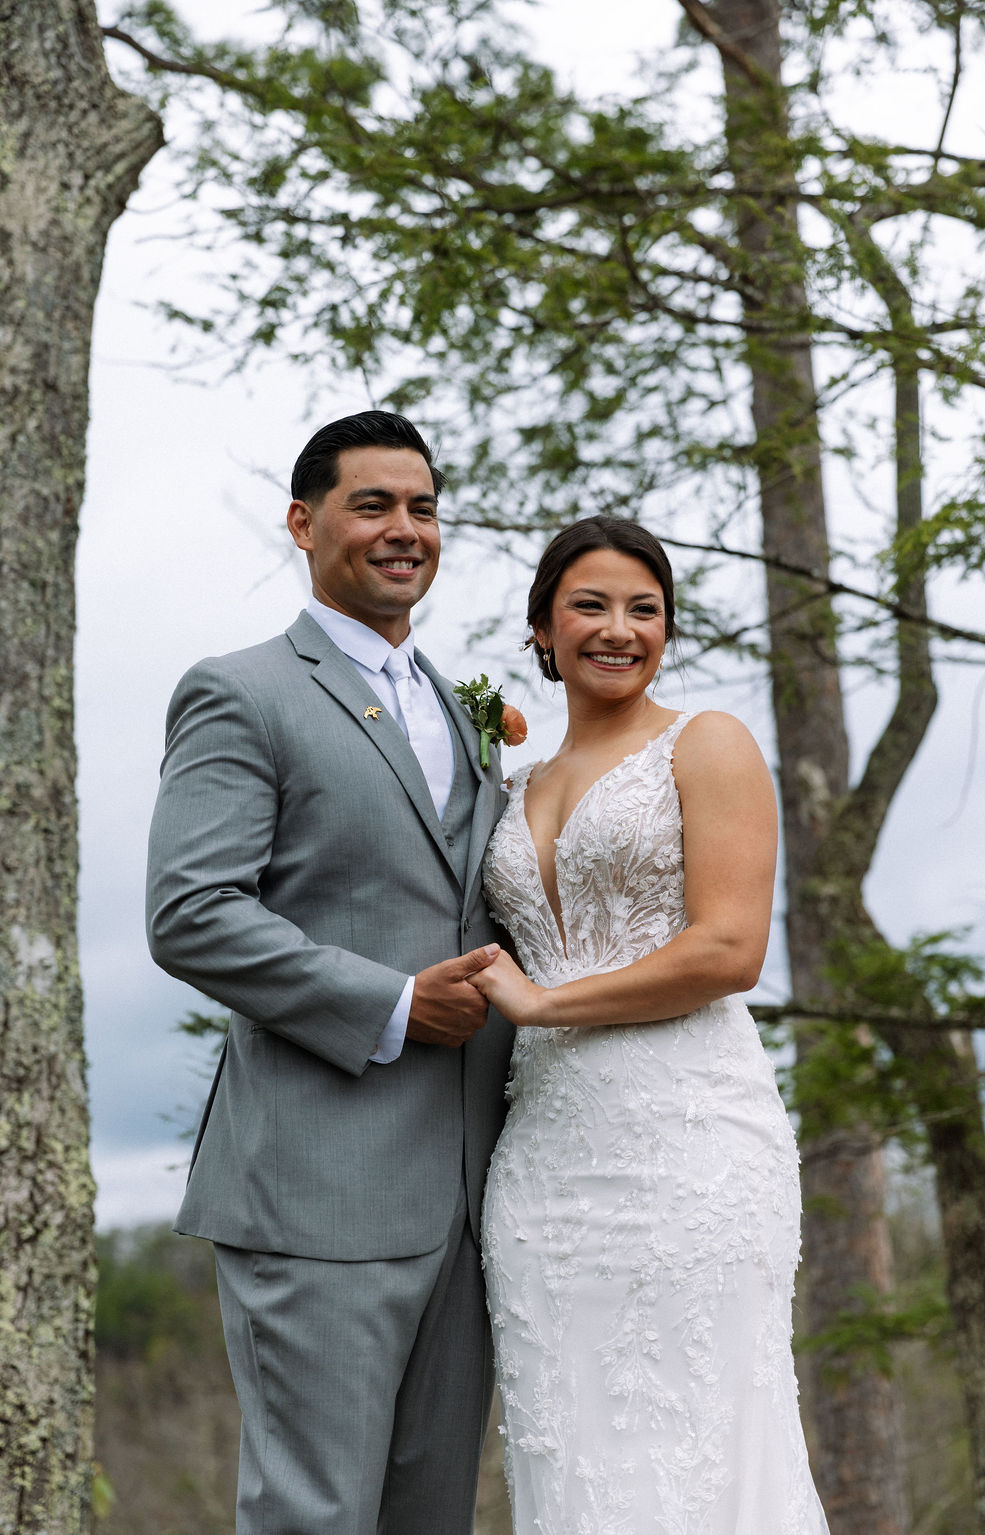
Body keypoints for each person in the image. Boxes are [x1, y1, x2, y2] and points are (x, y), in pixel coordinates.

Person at [145, 410, 514, 1535]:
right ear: (305, 524)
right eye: (374, 504)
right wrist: (394, 1003)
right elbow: (190, 912)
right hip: (318, 1194)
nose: (405, 529)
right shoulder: (241, 689)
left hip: (469, 1197)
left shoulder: (469, 711)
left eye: (423, 507)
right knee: (314, 1516)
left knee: (429, 1517)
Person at [468, 516, 830, 1534]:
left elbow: (728, 950)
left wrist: (543, 1001)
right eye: (590, 604)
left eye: (644, 609)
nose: (618, 628)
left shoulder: (705, 741)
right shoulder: (511, 784)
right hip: (542, 1167)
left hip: (689, 1146)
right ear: (542, 628)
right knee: (570, 1450)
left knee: (701, 1435)